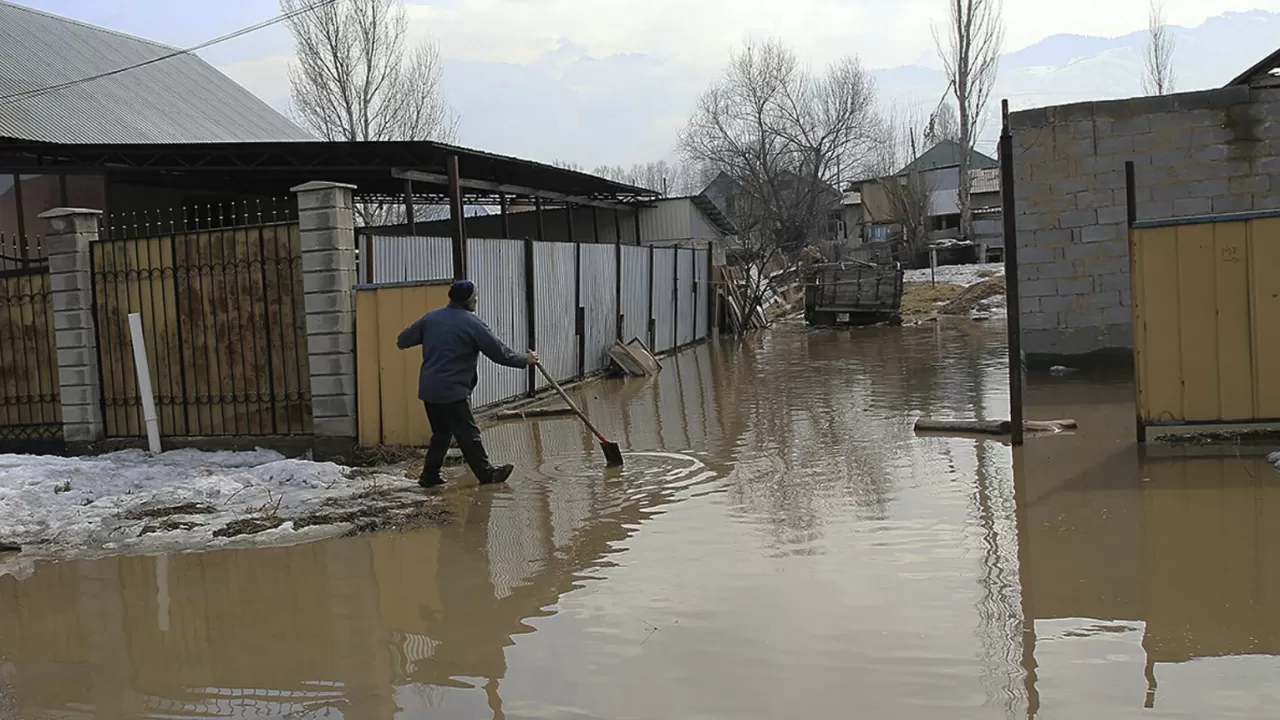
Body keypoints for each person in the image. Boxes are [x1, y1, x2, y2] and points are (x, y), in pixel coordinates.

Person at [397, 279, 538, 488]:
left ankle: (429, 476)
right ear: (469, 301)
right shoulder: (472, 324)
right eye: (475, 297)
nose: (477, 300)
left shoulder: (431, 318)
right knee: (468, 434)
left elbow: (403, 340)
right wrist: (524, 359)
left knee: (442, 433)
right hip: (452, 390)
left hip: (429, 389)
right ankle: (487, 474)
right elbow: (499, 353)